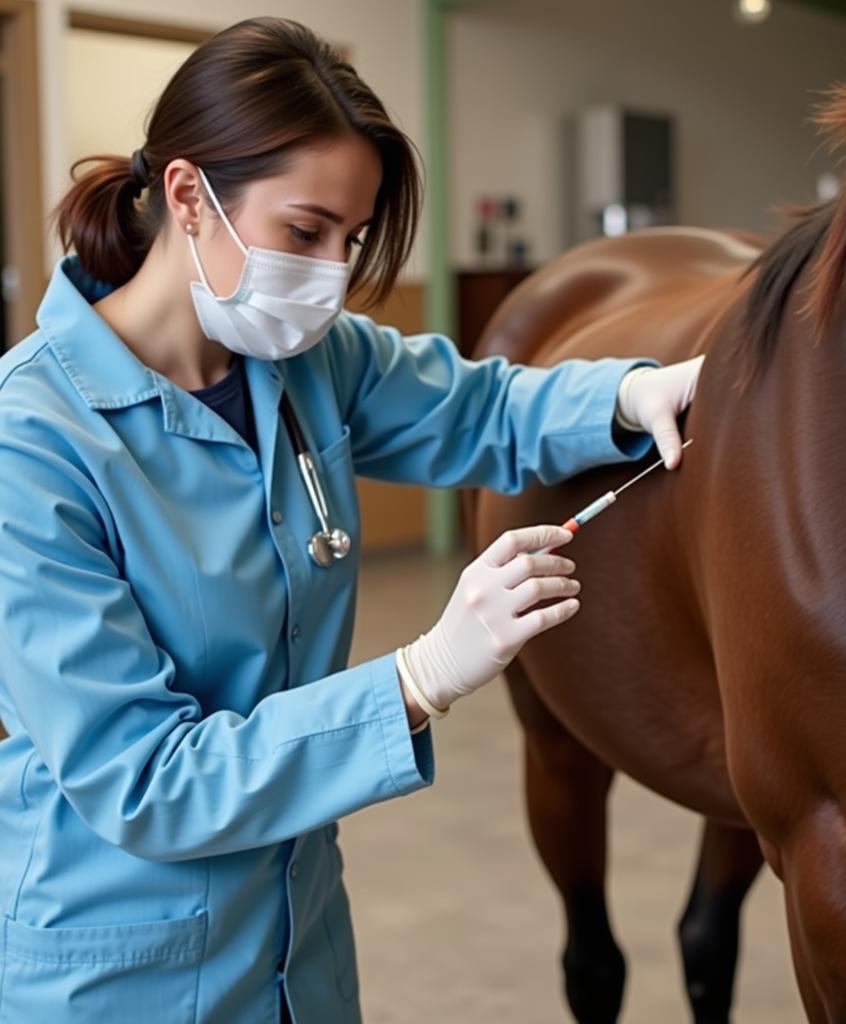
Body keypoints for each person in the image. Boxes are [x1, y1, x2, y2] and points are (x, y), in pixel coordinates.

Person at [0, 16, 703, 1023]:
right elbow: (146, 780)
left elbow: (482, 409)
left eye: (353, 237)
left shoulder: (306, 363)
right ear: (190, 196)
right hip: (115, 972)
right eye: (304, 231)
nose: (332, 275)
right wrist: (416, 679)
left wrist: (632, 395)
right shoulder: (32, 442)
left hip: (299, 950)